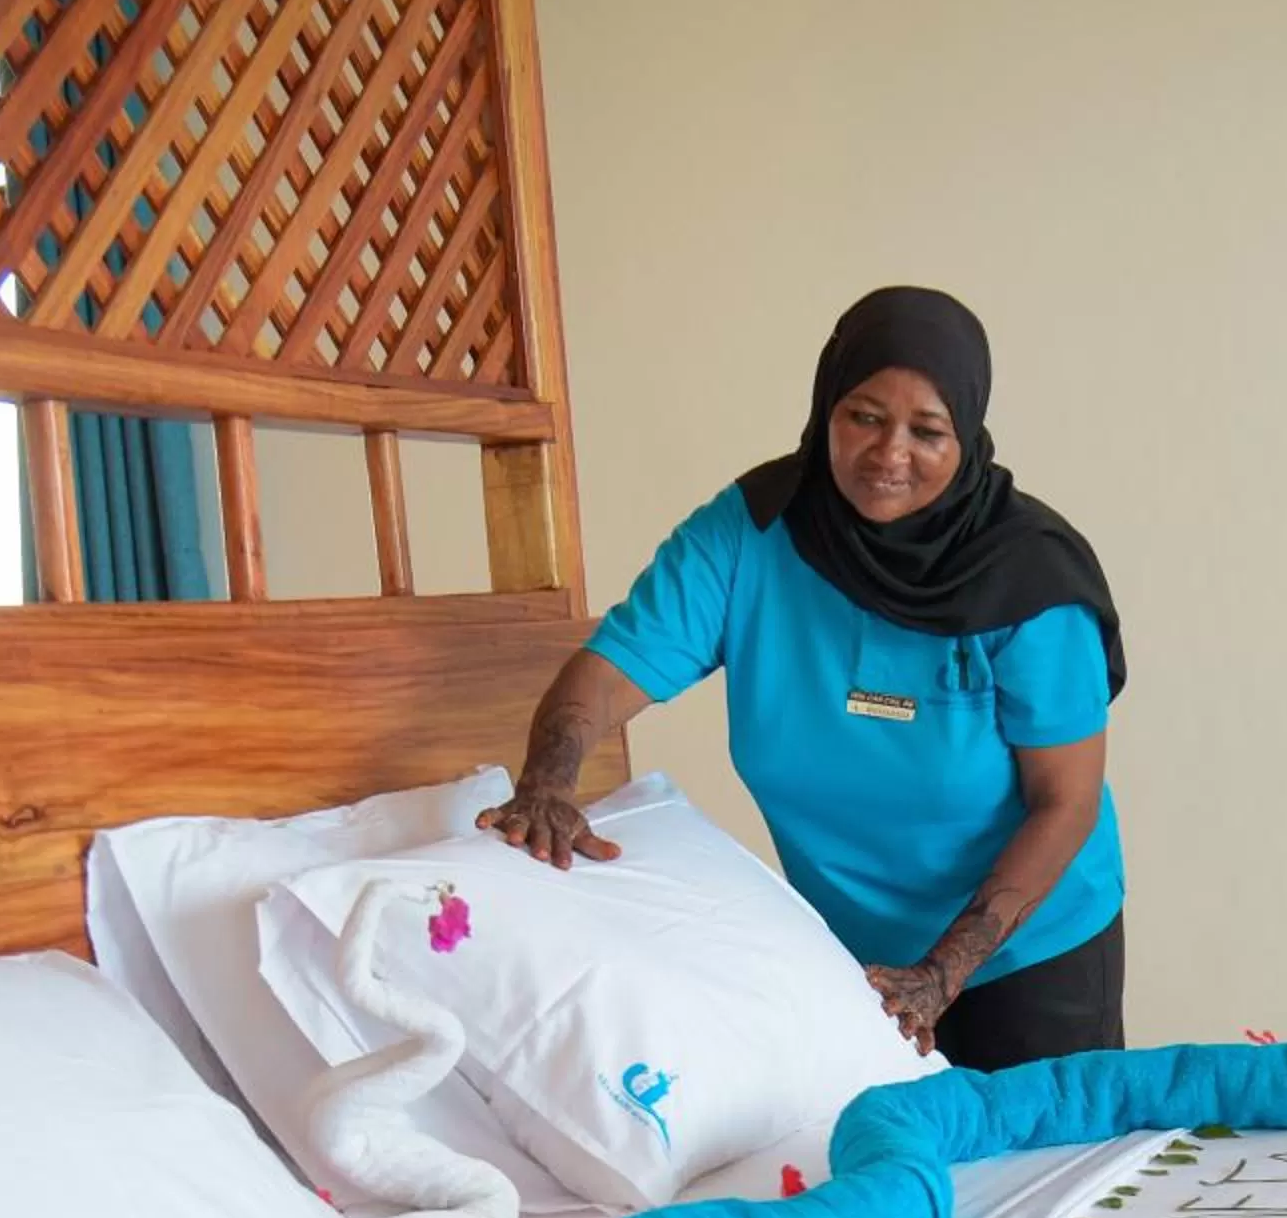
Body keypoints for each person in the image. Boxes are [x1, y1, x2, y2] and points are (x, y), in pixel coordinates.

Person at [479, 285, 1127, 1071]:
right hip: (851, 952)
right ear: (827, 408)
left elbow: (1066, 802)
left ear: (967, 436)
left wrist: (943, 972)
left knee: (1038, 1177)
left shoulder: (1030, 580)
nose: (889, 454)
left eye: (927, 431)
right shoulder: (751, 531)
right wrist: (549, 779)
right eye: (864, 416)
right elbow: (612, 674)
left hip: (1028, 955)